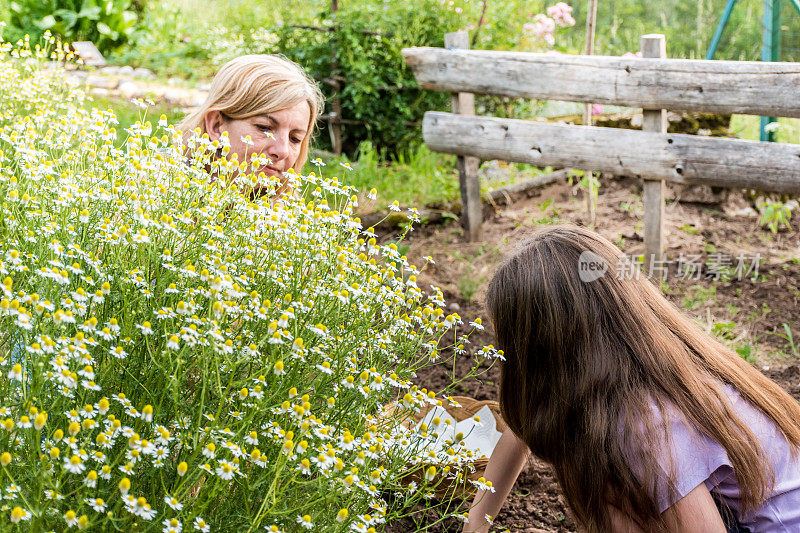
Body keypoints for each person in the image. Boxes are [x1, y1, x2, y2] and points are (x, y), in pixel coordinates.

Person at [464, 225, 800, 533]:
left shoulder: (648, 428)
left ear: (546, 359)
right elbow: (522, 426)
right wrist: (475, 525)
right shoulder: (659, 360)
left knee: (605, 479)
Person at [178, 54, 324, 199]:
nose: (283, 151)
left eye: (295, 139)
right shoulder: (161, 192)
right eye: (264, 128)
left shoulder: (283, 215)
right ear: (216, 126)